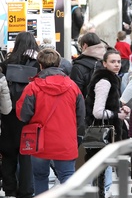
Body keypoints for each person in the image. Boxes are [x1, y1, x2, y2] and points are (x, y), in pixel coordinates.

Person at [16, 48, 85, 195]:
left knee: (40, 177)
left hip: (39, 141)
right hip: (66, 140)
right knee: (67, 177)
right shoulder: (73, 87)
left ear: (40, 65)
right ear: (59, 63)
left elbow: (22, 114)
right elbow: (81, 115)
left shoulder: (32, 87)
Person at [84, 49, 130, 197]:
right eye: (112, 61)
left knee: (103, 169)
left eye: (118, 61)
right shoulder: (104, 81)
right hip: (101, 132)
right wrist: (117, 114)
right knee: (101, 172)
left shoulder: (112, 79)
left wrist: (120, 108)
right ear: (104, 63)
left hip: (105, 132)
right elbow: (98, 112)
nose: (117, 64)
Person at [0, 32, 39, 198]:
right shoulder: (38, 63)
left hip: (8, 113)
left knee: (8, 152)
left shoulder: (7, 63)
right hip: (28, 114)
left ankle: (9, 189)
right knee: (26, 153)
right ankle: (26, 190)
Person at [70, 32, 106, 97]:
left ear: (84, 46)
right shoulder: (107, 62)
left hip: (86, 105)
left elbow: (76, 93)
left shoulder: (78, 66)